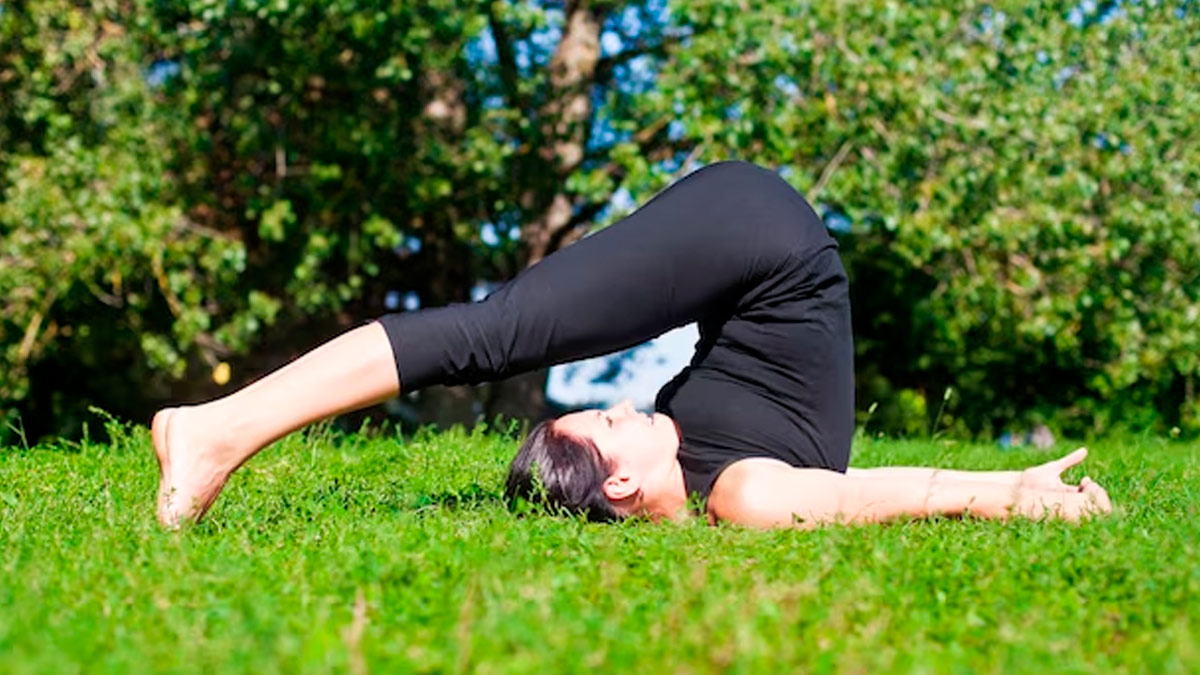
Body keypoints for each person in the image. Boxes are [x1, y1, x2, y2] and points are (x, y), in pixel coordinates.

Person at [151, 161, 1111, 528]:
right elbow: (879, 491)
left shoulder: (697, 465)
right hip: (760, 239)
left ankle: (219, 428)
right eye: (608, 420)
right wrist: (1011, 492)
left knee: (502, 332)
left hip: (746, 241)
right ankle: (216, 430)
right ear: (617, 484)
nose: (625, 401)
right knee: (497, 335)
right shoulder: (742, 493)